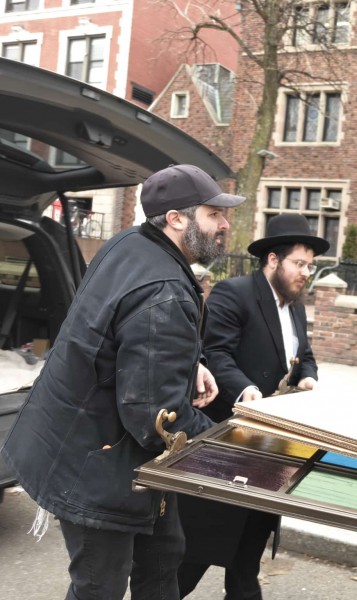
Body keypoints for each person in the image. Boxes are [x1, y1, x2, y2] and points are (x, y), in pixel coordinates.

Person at [0, 164, 244, 600]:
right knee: (99, 587)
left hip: (110, 451)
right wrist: (233, 451)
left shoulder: (131, 243)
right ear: (176, 219)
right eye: (214, 214)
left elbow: (129, 331)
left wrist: (194, 362)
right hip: (95, 464)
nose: (224, 224)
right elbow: (156, 419)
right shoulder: (163, 290)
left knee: (163, 561)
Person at [177, 213, 328, 600]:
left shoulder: (295, 306)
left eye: (310, 266)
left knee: (247, 559)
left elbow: (304, 355)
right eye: (299, 263)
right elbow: (216, 353)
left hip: (272, 450)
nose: (306, 273)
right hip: (228, 446)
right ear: (273, 260)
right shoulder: (234, 293)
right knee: (195, 555)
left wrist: (308, 378)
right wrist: (245, 389)